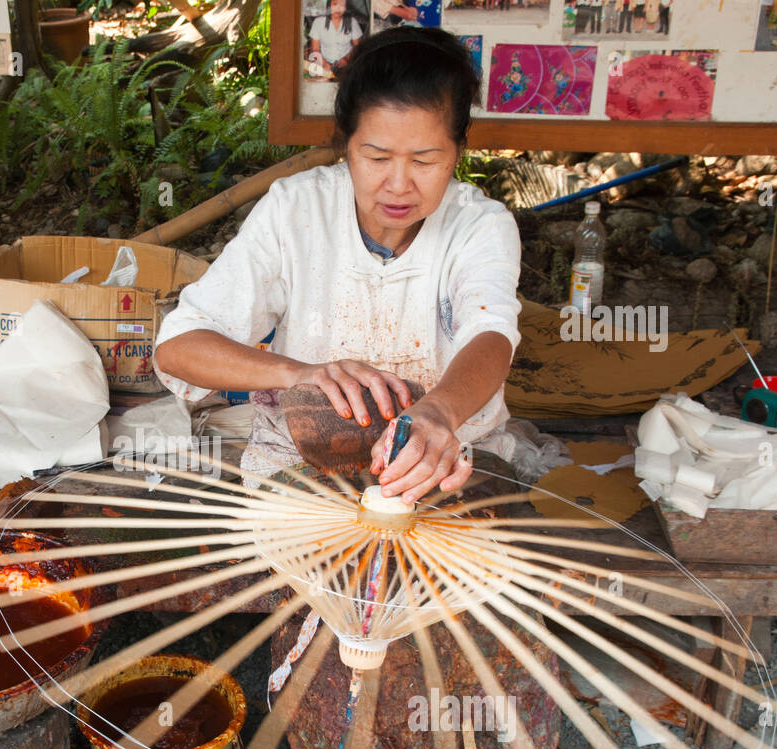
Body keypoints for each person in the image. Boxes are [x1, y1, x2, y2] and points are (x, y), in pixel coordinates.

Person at [154, 28, 522, 502]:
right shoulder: (296, 211)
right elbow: (179, 348)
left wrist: (441, 413)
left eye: (425, 160)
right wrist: (299, 374)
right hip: (297, 464)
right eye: (377, 157)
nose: (398, 184)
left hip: (447, 462)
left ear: (457, 152)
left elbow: (490, 336)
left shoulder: (479, 225)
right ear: (347, 144)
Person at [307, 0, 364, 79]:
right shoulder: (318, 22)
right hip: (324, 63)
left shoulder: (352, 22)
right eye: (335, 4)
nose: (338, 9)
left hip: (347, 65)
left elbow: (357, 47)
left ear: (346, 7)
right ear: (329, 5)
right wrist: (324, 64)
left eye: (342, 5)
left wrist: (346, 59)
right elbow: (315, 49)